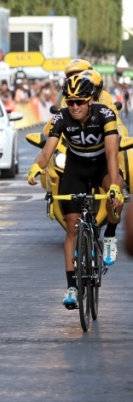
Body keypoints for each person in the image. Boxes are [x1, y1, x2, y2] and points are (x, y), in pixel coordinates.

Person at [28, 75, 123, 308]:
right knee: (71, 227)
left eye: (79, 102)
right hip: (75, 168)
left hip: (101, 164)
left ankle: (110, 233)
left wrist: (113, 187)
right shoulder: (61, 117)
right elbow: (48, 151)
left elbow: (111, 153)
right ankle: (71, 286)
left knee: (116, 189)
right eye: (70, 102)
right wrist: (36, 166)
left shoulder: (105, 115)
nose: (74, 106)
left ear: (90, 100)